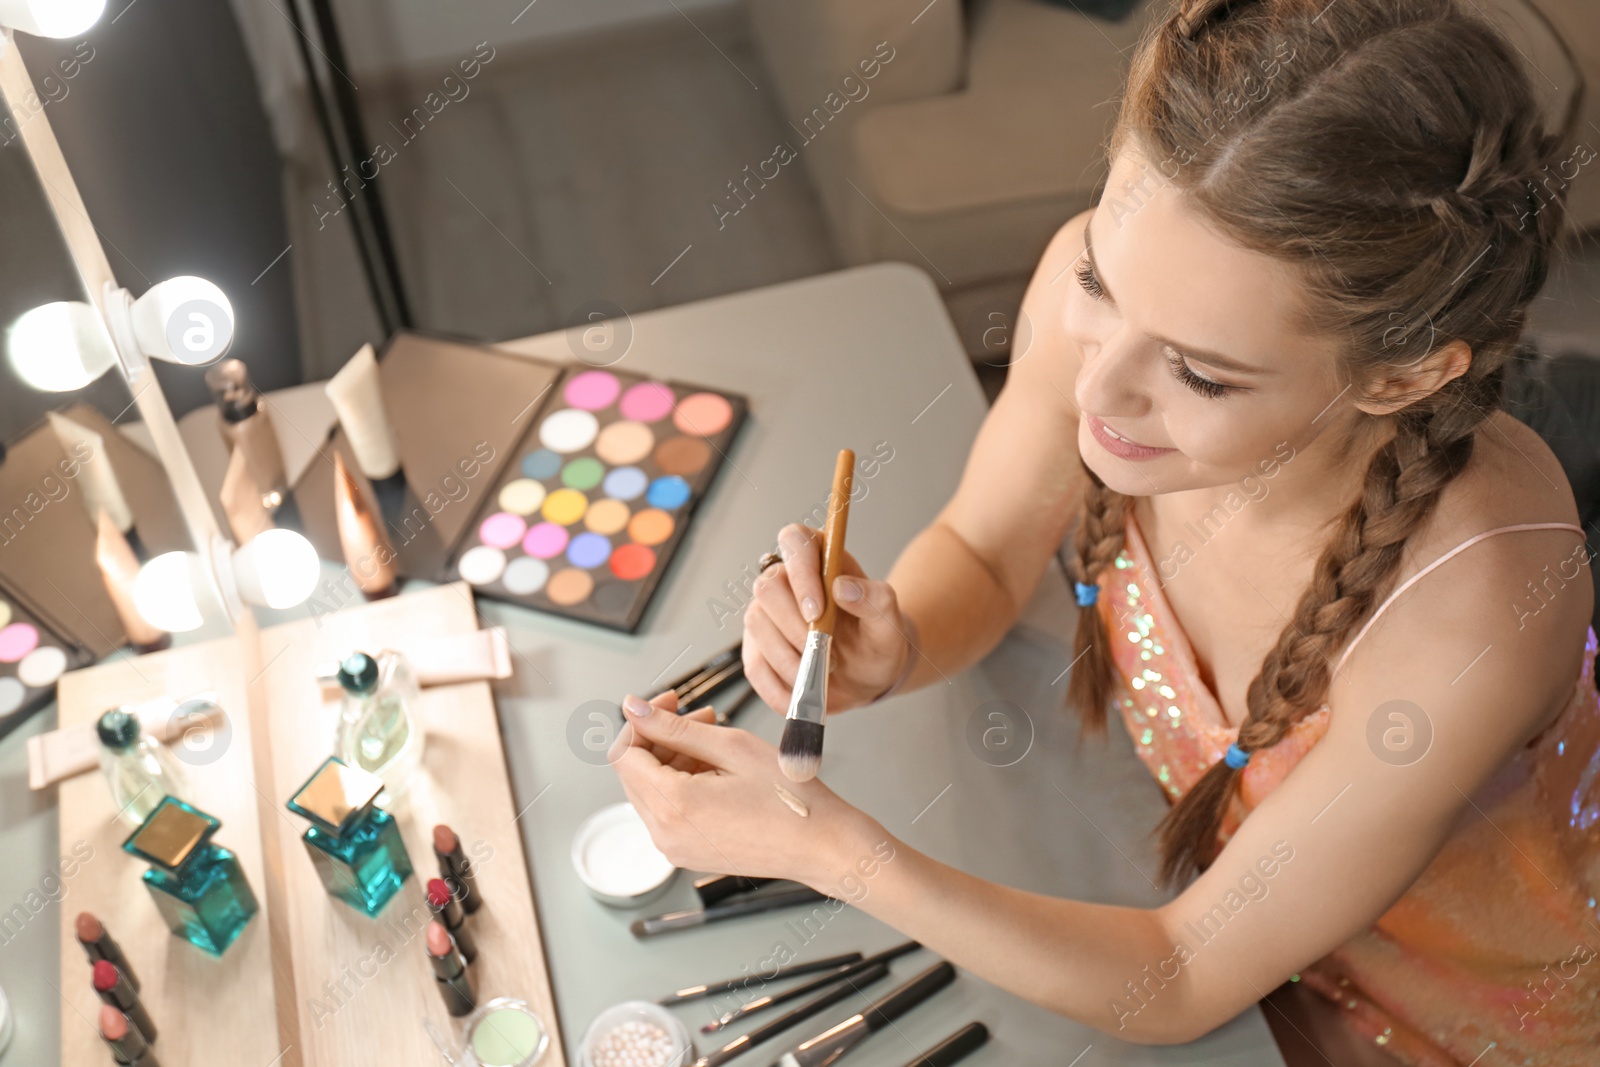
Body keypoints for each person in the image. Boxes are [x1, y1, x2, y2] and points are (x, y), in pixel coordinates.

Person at [610, 0, 1599, 1062]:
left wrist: (830, 849)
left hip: (1466, 1003)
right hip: (1192, 896)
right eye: (1098, 283)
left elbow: (1179, 974)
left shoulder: (1474, 604)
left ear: (1399, 374)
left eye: (1199, 372)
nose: (1098, 386)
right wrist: (889, 646)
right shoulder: (1110, 309)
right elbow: (986, 554)